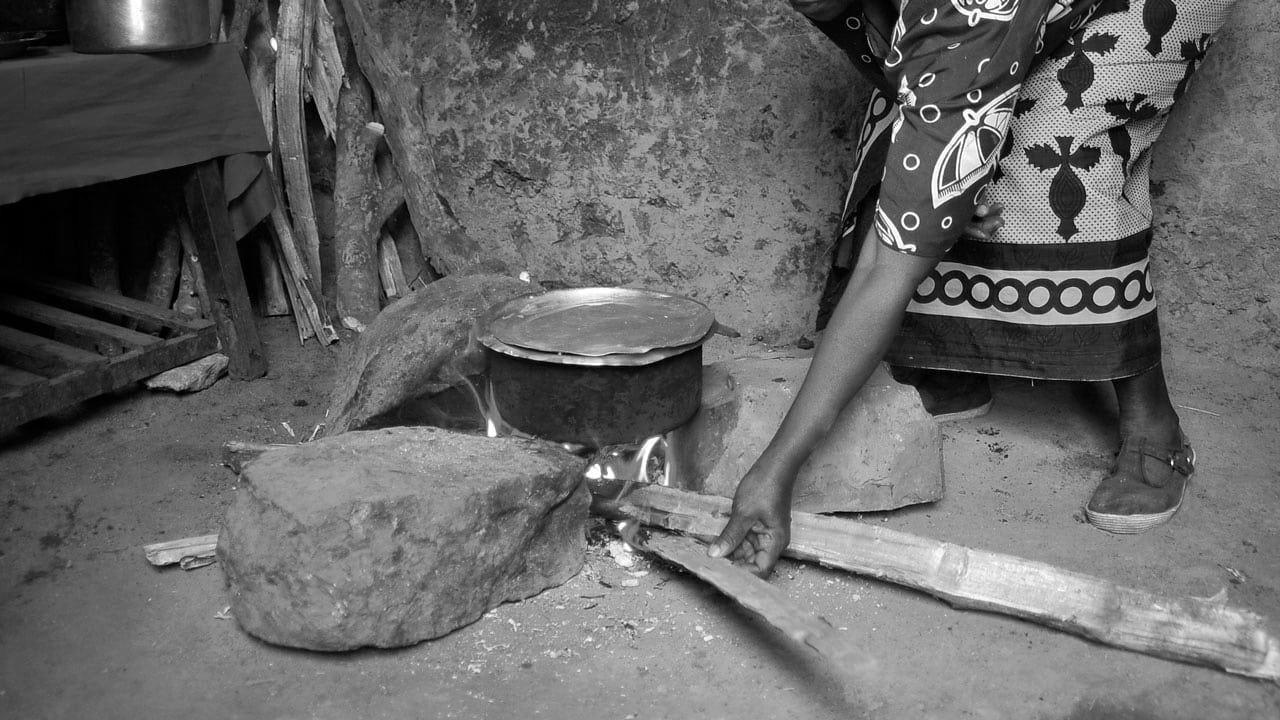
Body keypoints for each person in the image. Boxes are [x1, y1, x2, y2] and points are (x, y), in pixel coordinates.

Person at [708, 0, 1238, 576]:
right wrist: (957, 158)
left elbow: (886, 266)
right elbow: (911, 69)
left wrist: (775, 471)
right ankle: (954, 367)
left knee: (1055, 145)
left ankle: (1153, 425)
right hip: (988, 26)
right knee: (918, 141)